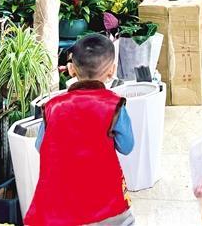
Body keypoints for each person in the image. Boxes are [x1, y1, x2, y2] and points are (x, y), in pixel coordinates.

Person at [26, 34, 135, 226]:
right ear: (112, 70)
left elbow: (40, 146)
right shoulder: (114, 105)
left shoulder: (52, 107)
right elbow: (127, 147)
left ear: (71, 69)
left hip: (60, 205)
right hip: (106, 202)